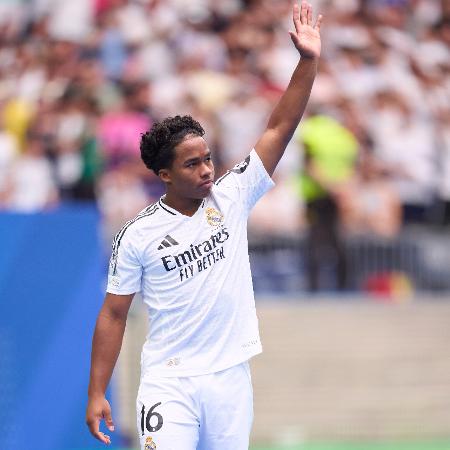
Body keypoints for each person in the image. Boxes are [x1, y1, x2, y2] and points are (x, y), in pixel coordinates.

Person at [85, 2, 322, 449]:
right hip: (168, 384)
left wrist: (308, 61)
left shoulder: (232, 197)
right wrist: (97, 391)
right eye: (192, 164)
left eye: (208, 158)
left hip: (230, 379)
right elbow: (114, 314)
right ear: (165, 175)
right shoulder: (137, 234)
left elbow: (279, 127)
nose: (207, 170)